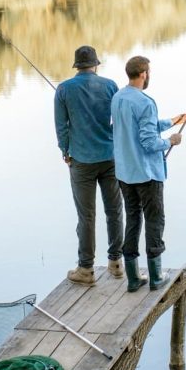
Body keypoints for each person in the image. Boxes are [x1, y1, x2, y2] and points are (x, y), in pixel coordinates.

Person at [111, 55, 186, 292]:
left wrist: (172, 121)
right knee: (155, 220)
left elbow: (137, 127)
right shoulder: (145, 102)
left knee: (133, 219)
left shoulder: (118, 97)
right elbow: (148, 141)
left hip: (125, 173)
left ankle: (134, 278)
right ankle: (156, 277)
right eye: (149, 72)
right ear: (143, 73)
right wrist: (170, 141)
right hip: (147, 174)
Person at [55, 45, 124, 286]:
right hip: (109, 157)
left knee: (86, 216)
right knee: (114, 211)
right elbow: (119, 120)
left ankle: (86, 269)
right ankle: (116, 263)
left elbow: (61, 127)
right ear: (95, 65)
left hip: (81, 160)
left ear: (77, 66)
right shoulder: (110, 86)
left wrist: (65, 151)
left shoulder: (63, 89)